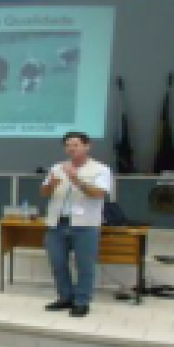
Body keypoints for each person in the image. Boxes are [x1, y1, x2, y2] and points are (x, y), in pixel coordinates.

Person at [40, 131, 113, 317]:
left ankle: (82, 301)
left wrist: (76, 180)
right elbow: (44, 192)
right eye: (68, 145)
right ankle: (65, 297)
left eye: (76, 145)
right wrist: (51, 185)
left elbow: (100, 194)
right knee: (57, 263)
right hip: (57, 223)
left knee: (85, 265)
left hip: (85, 224)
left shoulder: (101, 169)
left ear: (87, 146)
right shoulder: (57, 167)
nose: (71, 148)